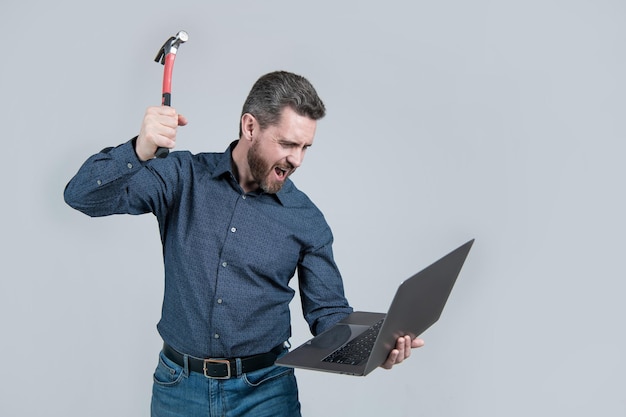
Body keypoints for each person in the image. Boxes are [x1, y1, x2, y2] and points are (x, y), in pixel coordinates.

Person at [64, 70, 424, 416]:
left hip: (266, 393)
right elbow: (81, 196)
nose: (296, 160)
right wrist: (139, 150)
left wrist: (374, 346)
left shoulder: (307, 218)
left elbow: (328, 314)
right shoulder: (182, 177)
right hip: (178, 389)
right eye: (287, 144)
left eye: (305, 147)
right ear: (250, 126)